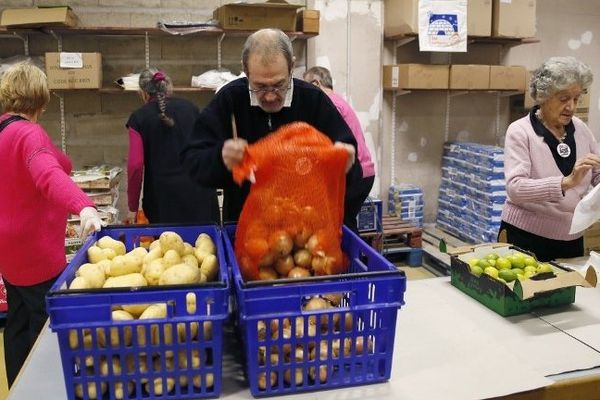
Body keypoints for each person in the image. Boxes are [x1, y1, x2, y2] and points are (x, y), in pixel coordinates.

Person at [181, 28, 363, 230]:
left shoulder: (314, 101)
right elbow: (192, 161)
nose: (269, 96)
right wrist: (220, 158)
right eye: (259, 86)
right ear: (245, 69)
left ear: (292, 66)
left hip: (305, 230)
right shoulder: (230, 100)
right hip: (247, 231)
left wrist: (345, 165)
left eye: (279, 85)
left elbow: (353, 170)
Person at [0, 62, 104, 387]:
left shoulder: (4, 130)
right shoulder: (29, 134)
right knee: (47, 329)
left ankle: (18, 388)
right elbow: (47, 174)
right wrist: (84, 207)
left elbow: (46, 166)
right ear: (42, 103)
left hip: (8, 252)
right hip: (36, 253)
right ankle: (45, 389)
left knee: (16, 324)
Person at [499, 56, 600, 261]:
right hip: (525, 237)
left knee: (566, 292)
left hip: (571, 237)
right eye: (564, 99)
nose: (571, 107)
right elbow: (516, 188)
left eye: (576, 98)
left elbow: (597, 172)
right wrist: (566, 182)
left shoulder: (581, 129)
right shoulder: (520, 131)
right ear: (544, 96)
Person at [126, 68, 220, 224]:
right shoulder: (191, 108)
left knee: (169, 247)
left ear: (143, 93)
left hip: (164, 202)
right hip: (201, 194)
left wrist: (132, 208)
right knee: (206, 246)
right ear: (167, 86)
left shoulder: (138, 118)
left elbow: (135, 166)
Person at [303, 66, 376, 231]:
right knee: (345, 221)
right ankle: (356, 255)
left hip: (355, 173)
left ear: (316, 83)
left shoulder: (329, 104)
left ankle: (351, 256)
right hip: (365, 171)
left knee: (341, 224)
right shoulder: (338, 100)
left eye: (307, 87)